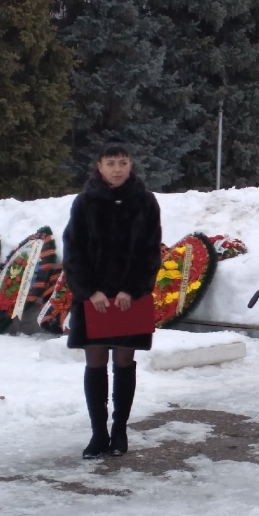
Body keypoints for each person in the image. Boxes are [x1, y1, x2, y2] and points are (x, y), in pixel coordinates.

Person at [63, 143, 162, 460]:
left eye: (122, 162)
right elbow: (73, 251)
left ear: (130, 164)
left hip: (128, 300)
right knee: (95, 364)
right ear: (99, 166)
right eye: (110, 163)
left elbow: (150, 252)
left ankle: (119, 430)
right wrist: (88, 291)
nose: (117, 169)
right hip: (93, 300)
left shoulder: (145, 202)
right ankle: (98, 433)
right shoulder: (85, 202)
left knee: (123, 364)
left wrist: (132, 290)